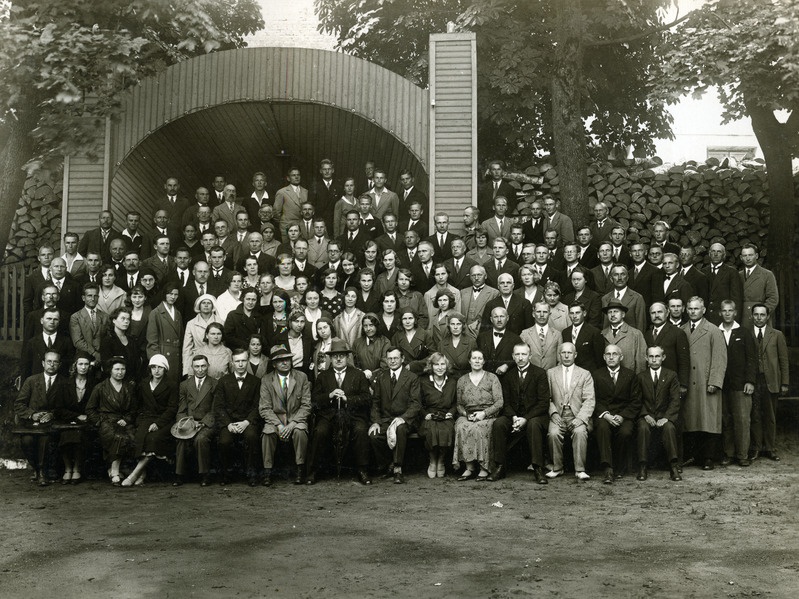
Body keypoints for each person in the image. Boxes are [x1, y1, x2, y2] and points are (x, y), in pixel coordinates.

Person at [307, 340, 373, 485]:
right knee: (320, 431)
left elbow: (367, 398)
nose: (338, 359)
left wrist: (347, 398)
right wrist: (330, 396)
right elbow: (315, 400)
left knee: (361, 430)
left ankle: (362, 470)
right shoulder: (323, 376)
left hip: (353, 415)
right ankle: (313, 470)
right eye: (335, 356)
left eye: (342, 356)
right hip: (329, 415)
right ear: (330, 358)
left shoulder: (358, 375)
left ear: (347, 357)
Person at [490, 342, 551, 484]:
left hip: (534, 415)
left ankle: (538, 468)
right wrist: (514, 417)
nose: (521, 357)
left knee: (533, 425)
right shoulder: (508, 375)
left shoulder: (540, 373)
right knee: (499, 423)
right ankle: (500, 466)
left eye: (524, 354)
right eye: (517, 354)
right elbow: (505, 402)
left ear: (530, 356)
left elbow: (543, 403)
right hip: (514, 415)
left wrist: (525, 418)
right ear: (513, 356)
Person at [682, 297, 727, 470]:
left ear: (704, 310)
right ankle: (694, 456)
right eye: (690, 308)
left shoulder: (713, 330)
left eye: (696, 308)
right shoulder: (682, 329)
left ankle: (709, 458)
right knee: (692, 420)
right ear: (687, 310)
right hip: (689, 383)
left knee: (708, 420)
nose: (693, 311)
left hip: (705, 382)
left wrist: (714, 382)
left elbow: (720, 358)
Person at [259, 344, 312, 486]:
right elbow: (265, 408)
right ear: (274, 364)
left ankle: (300, 470)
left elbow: (306, 405)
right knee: (268, 432)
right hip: (275, 420)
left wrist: (293, 423)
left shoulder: (301, 377)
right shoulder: (266, 380)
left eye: (288, 359)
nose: (285, 362)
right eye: (280, 360)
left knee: (300, 431)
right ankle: (267, 472)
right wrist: (278, 425)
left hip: (296, 418)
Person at [122, 354, 178, 486]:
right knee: (139, 437)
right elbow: (138, 405)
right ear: (150, 369)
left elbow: (171, 409)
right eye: (154, 367)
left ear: (165, 369)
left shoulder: (171, 385)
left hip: (164, 420)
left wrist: (158, 423)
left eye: (160, 367)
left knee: (153, 439)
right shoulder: (143, 384)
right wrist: (140, 421)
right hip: (146, 418)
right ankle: (143, 473)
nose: (157, 370)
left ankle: (134, 474)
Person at [369, 347, 421, 484]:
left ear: (402, 359)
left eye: (395, 358)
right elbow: (375, 402)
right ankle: (388, 464)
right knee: (374, 436)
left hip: (405, 420)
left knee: (400, 429)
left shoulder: (412, 378)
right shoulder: (381, 377)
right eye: (390, 358)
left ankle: (398, 468)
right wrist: (375, 422)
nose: (392, 361)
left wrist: (403, 418)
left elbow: (416, 404)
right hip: (386, 419)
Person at [15, 351, 66, 486]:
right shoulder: (31, 381)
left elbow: (66, 406)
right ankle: (37, 469)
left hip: (52, 424)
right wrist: (32, 414)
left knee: (45, 439)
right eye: (49, 361)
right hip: (32, 424)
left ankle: (42, 473)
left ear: (59, 364)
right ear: (43, 363)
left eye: (55, 362)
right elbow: (19, 404)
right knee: (26, 440)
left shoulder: (64, 382)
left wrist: (52, 414)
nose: (52, 365)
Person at [592, 344, 642, 483]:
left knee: (625, 432)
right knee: (602, 428)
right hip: (604, 415)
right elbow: (593, 399)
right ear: (604, 357)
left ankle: (620, 467)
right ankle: (608, 469)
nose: (611, 357)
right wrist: (606, 414)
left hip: (624, 415)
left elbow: (636, 401)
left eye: (615, 354)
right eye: (608, 354)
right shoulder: (596, 374)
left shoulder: (630, 375)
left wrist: (623, 416)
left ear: (621, 357)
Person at [546, 342, 595, 480]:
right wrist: (554, 413)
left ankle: (580, 470)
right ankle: (557, 467)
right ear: (559, 355)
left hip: (577, 414)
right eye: (563, 353)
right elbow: (546, 398)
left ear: (575, 355)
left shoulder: (585, 374)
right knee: (553, 434)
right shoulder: (550, 373)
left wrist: (580, 418)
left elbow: (589, 400)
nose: (566, 355)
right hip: (558, 415)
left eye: (569, 353)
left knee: (580, 432)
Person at [453, 348, 503, 481]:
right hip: (468, 414)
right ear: (469, 361)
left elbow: (499, 402)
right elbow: (458, 404)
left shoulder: (492, 378)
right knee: (461, 426)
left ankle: (484, 468)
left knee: (478, 428)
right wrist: (466, 414)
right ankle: (469, 467)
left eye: (480, 358)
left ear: (484, 361)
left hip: (488, 415)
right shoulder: (462, 380)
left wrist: (484, 413)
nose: (477, 361)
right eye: (474, 358)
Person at [214, 348, 262, 486]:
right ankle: (226, 474)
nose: (240, 364)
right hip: (229, 422)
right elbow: (219, 406)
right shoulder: (223, 381)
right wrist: (228, 424)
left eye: (243, 361)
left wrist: (246, 422)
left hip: (248, 421)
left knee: (251, 437)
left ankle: (251, 474)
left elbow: (258, 405)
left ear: (247, 361)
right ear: (232, 363)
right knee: (224, 441)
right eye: (237, 361)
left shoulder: (256, 381)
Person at [86, 356, 137, 485]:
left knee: (130, 435)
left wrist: (127, 419)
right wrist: (99, 422)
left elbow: (134, 409)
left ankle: (116, 468)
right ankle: (115, 470)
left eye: (123, 369)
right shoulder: (100, 387)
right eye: (117, 369)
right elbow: (90, 409)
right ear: (110, 370)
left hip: (124, 421)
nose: (120, 372)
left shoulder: (129, 388)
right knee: (118, 436)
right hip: (106, 421)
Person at [718, 300, 757, 467]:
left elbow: (752, 359)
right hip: (721, 384)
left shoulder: (744, 332)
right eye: (724, 310)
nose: (727, 313)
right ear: (720, 313)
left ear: (735, 312)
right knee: (725, 420)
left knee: (742, 420)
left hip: (741, 384)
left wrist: (750, 381)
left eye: (730, 310)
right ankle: (729, 454)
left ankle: (742, 455)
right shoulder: (715, 332)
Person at [750, 303, 790, 462]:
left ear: (768, 316)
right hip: (753, 381)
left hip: (771, 380)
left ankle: (770, 448)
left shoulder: (777, 335)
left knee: (770, 416)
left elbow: (783, 360)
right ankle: (756, 448)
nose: (759, 318)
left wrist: (785, 382)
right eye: (756, 314)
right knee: (755, 415)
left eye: (762, 315)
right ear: (751, 316)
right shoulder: (747, 334)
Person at [637, 346, 682, 482]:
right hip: (647, 415)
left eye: (657, 356)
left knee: (669, 428)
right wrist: (645, 415)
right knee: (643, 428)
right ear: (646, 358)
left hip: (664, 415)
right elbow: (637, 400)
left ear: (663, 358)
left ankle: (673, 466)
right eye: (651, 356)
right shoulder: (640, 377)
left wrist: (666, 417)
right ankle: (642, 466)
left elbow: (675, 400)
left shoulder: (671, 375)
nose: (654, 359)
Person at [173, 354, 217, 486]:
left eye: (203, 366)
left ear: (208, 366)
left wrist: (203, 423)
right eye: (197, 366)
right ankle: (179, 475)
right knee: (181, 438)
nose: (200, 369)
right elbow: (182, 408)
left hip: (206, 423)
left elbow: (215, 409)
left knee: (200, 439)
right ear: (192, 367)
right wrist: (184, 423)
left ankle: (204, 475)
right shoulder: (185, 385)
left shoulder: (215, 383)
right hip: (189, 421)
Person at [54, 351, 96, 484]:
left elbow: (95, 406)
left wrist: (86, 417)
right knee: (66, 435)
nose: (83, 367)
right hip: (67, 420)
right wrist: (77, 416)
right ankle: (68, 469)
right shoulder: (65, 384)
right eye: (80, 364)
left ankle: (77, 468)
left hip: (86, 421)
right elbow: (58, 409)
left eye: (86, 364)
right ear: (75, 365)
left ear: (90, 366)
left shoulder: (94, 384)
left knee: (79, 436)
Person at [418, 352, 457, 479]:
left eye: (442, 364)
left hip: (446, 415)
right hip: (430, 415)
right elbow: (418, 402)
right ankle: (432, 460)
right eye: (436, 365)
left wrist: (451, 412)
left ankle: (441, 460)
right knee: (431, 430)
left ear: (446, 366)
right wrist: (425, 414)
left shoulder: (452, 382)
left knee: (447, 430)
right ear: (431, 366)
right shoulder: (423, 382)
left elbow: (457, 402)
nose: (440, 368)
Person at [146, 282, 183, 379]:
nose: (173, 297)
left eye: (176, 294)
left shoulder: (178, 313)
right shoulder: (156, 313)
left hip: (176, 356)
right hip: (163, 355)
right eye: (170, 294)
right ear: (164, 294)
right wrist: (157, 362)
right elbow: (152, 341)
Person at [601, 301, 647, 374]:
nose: (612, 315)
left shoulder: (635, 334)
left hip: (629, 379)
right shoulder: (602, 334)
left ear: (623, 314)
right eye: (610, 312)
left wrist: (638, 380)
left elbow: (641, 362)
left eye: (616, 311)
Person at [739, 243, 779, 328]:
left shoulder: (767, 274)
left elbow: (773, 298)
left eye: (750, 255)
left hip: (760, 320)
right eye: (745, 255)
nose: (748, 258)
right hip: (742, 319)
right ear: (741, 258)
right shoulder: (738, 275)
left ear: (756, 256)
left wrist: (761, 314)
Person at [69, 283, 108, 368]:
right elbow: (78, 341)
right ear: (83, 298)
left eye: (95, 296)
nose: (93, 299)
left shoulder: (105, 316)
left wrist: (101, 355)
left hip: (102, 358)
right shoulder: (76, 317)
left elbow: (107, 337)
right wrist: (94, 353)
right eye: (89, 296)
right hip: (83, 357)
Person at [182, 294, 221, 377]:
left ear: (213, 305)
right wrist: (186, 370)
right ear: (199, 306)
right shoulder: (191, 323)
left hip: (216, 360)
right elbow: (187, 348)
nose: (206, 305)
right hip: (198, 361)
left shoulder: (220, 322)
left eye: (209, 303)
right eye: (203, 303)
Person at [704, 242, 743, 325]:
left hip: (723, 319)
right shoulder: (703, 272)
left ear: (724, 255)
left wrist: (735, 322)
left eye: (719, 251)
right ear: (709, 254)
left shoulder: (731, 272)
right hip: (706, 319)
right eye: (713, 251)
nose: (715, 254)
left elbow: (736, 299)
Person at [561, 301, 606, 373]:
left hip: (589, 374)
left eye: (577, 313)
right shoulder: (565, 332)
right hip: (570, 374)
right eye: (572, 313)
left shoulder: (594, 332)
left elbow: (599, 360)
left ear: (584, 313)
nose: (574, 316)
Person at [100, 307, 140, 381]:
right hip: (114, 381)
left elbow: (137, 364)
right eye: (123, 318)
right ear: (114, 320)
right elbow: (106, 366)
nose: (126, 321)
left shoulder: (132, 340)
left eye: (128, 319)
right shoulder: (108, 340)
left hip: (132, 382)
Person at [391, 308, 432, 375]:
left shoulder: (424, 335)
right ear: (401, 321)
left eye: (410, 318)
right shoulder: (396, 337)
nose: (407, 322)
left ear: (415, 320)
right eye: (404, 319)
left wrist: (415, 365)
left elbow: (433, 355)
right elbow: (393, 356)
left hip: (422, 373)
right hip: (403, 374)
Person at [520, 302, 560, 370]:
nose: (541, 315)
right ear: (533, 314)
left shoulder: (557, 334)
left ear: (549, 314)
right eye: (538, 312)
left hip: (550, 375)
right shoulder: (525, 334)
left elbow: (560, 360)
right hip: (532, 376)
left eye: (545, 312)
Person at [437, 311, 476, 379]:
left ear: (463, 325)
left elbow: (475, 365)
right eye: (452, 324)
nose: (455, 327)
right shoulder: (442, 344)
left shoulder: (471, 342)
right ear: (449, 326)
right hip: (448, 380)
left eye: (458, 324)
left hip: (467, 379)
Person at [352, 313, 390, 381]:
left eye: (371, 325)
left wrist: (371, 374)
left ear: (377, 326)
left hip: (380, 379)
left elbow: (385, 365)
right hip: (361, 379)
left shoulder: (385, 342)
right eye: (365, 326)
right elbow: (354, 363)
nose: (368, 329)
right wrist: (362, 373)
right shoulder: (357, 343)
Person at [223, 287, 260, 351]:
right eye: (248, 299)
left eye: (253, 300)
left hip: (255, 351)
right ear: (243, 299)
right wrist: (245, 345)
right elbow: (228, 336)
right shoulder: (232, 315)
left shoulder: (259, 316)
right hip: (237, 351)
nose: (250, 302)